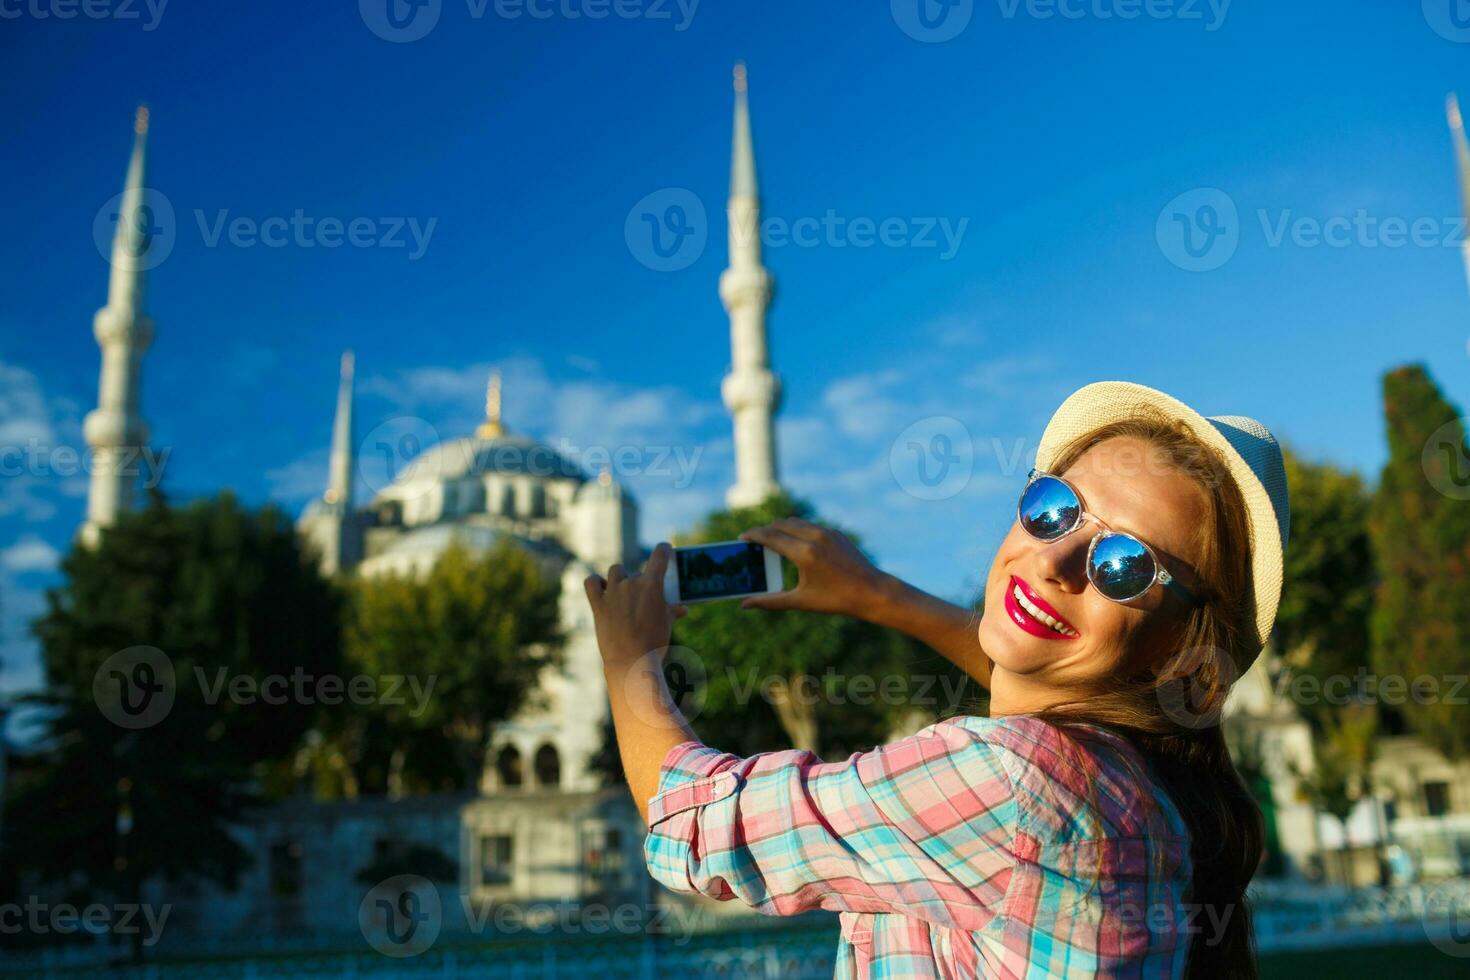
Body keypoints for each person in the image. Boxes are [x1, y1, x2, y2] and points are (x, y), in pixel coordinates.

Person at [584, 381, 1290, 978]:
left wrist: (630, 660)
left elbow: (696, 823)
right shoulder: (1146, 788)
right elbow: (1034, 694)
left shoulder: (1008, 780)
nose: (1054, 563)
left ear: (1184, 656)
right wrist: (876, 594)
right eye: (1055, 510)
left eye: (1125, 566)